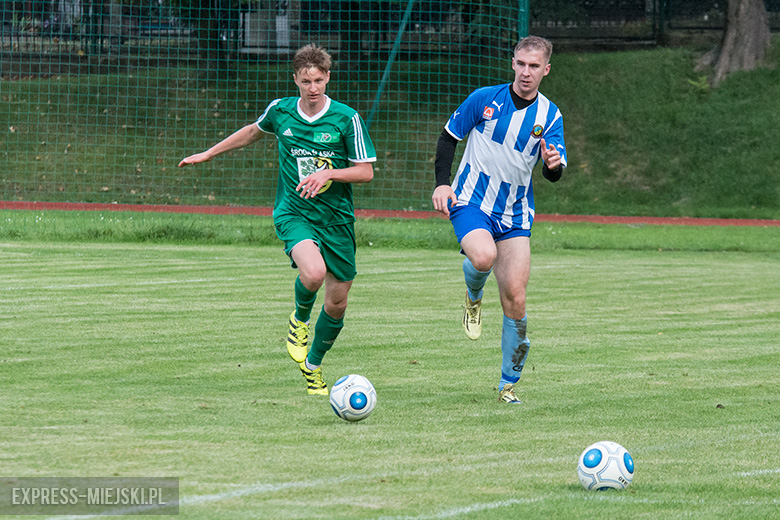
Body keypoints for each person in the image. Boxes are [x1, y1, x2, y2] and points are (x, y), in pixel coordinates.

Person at [179, 44, 376, 396]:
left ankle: (313, 366)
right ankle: (299, 320)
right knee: (313, 273)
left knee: (337, 302)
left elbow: (365, 172)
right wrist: (209, 153)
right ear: (295, 80)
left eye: (318, 80)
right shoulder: (281, 110)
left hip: (337, 220)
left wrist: (329, 174)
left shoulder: (347, 118)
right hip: (294, 212)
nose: (312, 88)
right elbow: (253, 131)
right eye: (305, 81)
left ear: (328, 77)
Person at [431, 36, 566, 404]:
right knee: (482, 256)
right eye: (521, 64)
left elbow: (554, 171)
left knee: (516, 299)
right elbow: (448, 139)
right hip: (471, 199)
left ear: (546, 70)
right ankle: (473, 295)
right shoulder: (484, 99)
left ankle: (508, 385)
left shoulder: (550, 116)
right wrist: (442, 185)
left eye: (534, 66)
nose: (526, 72)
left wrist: (552, 165)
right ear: (513, 63)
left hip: (516, 213)